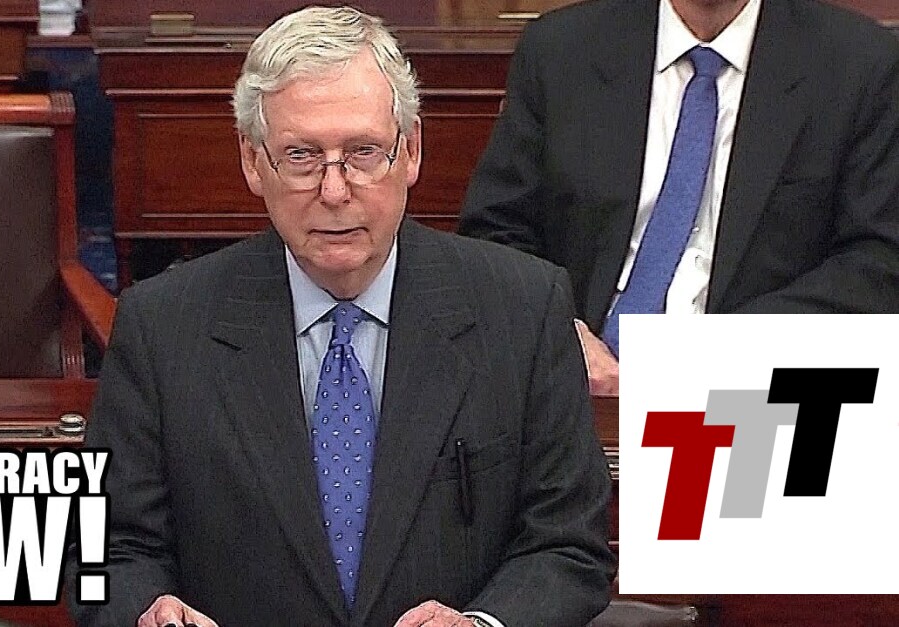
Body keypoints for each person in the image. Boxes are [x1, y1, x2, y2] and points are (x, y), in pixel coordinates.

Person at [67, 6, 615, 627]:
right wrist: (147, 612)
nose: (334, 191)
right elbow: (106, 549)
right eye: (301, 156)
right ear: (253, 161)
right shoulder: (162, 327)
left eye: (363, 152)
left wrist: (485, 624)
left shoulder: (523, 308)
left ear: (411, 151)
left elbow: (568, 545)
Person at [458, 0, 899, 396]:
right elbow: (495, 230)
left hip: (754, 386)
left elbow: (878, 260)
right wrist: (558, 335)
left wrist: (706, 355)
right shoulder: (561, 48)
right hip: (578, 383)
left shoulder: (860, 62)